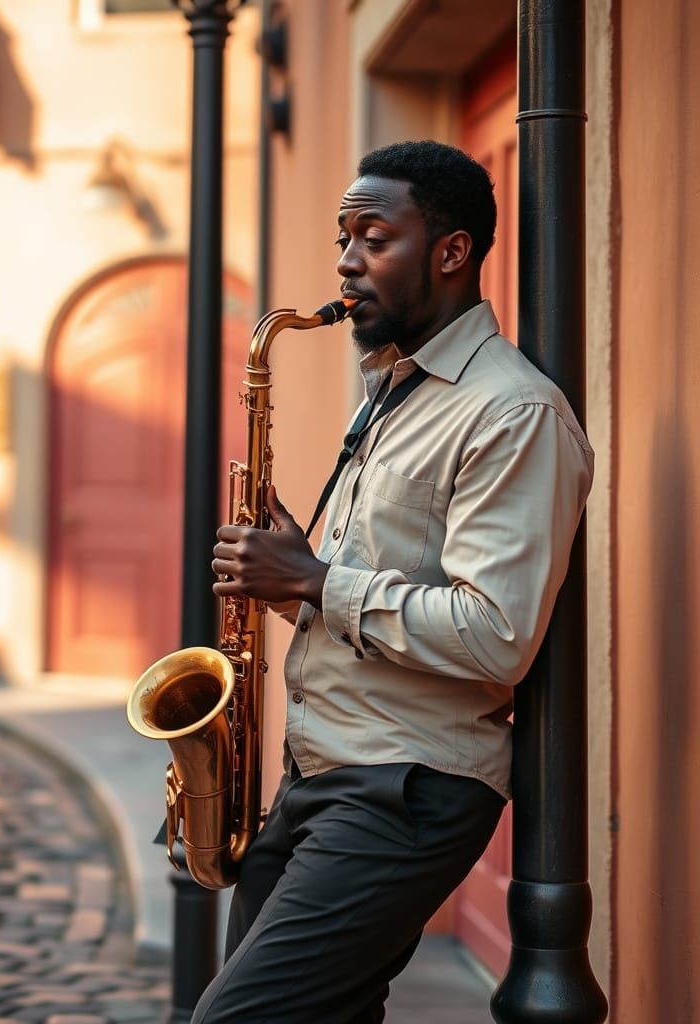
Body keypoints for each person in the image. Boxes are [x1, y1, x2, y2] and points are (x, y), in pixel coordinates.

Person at [192, 139, 594, 1023]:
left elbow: (499, 632)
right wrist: (296, 574)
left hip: (405, 789)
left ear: (450, 251)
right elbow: (370, 580)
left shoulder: (512, 411)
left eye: (373, 236)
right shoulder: (392, 388)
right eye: (344, 237)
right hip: (319, 774)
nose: (345, 261)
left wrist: (317, 580)